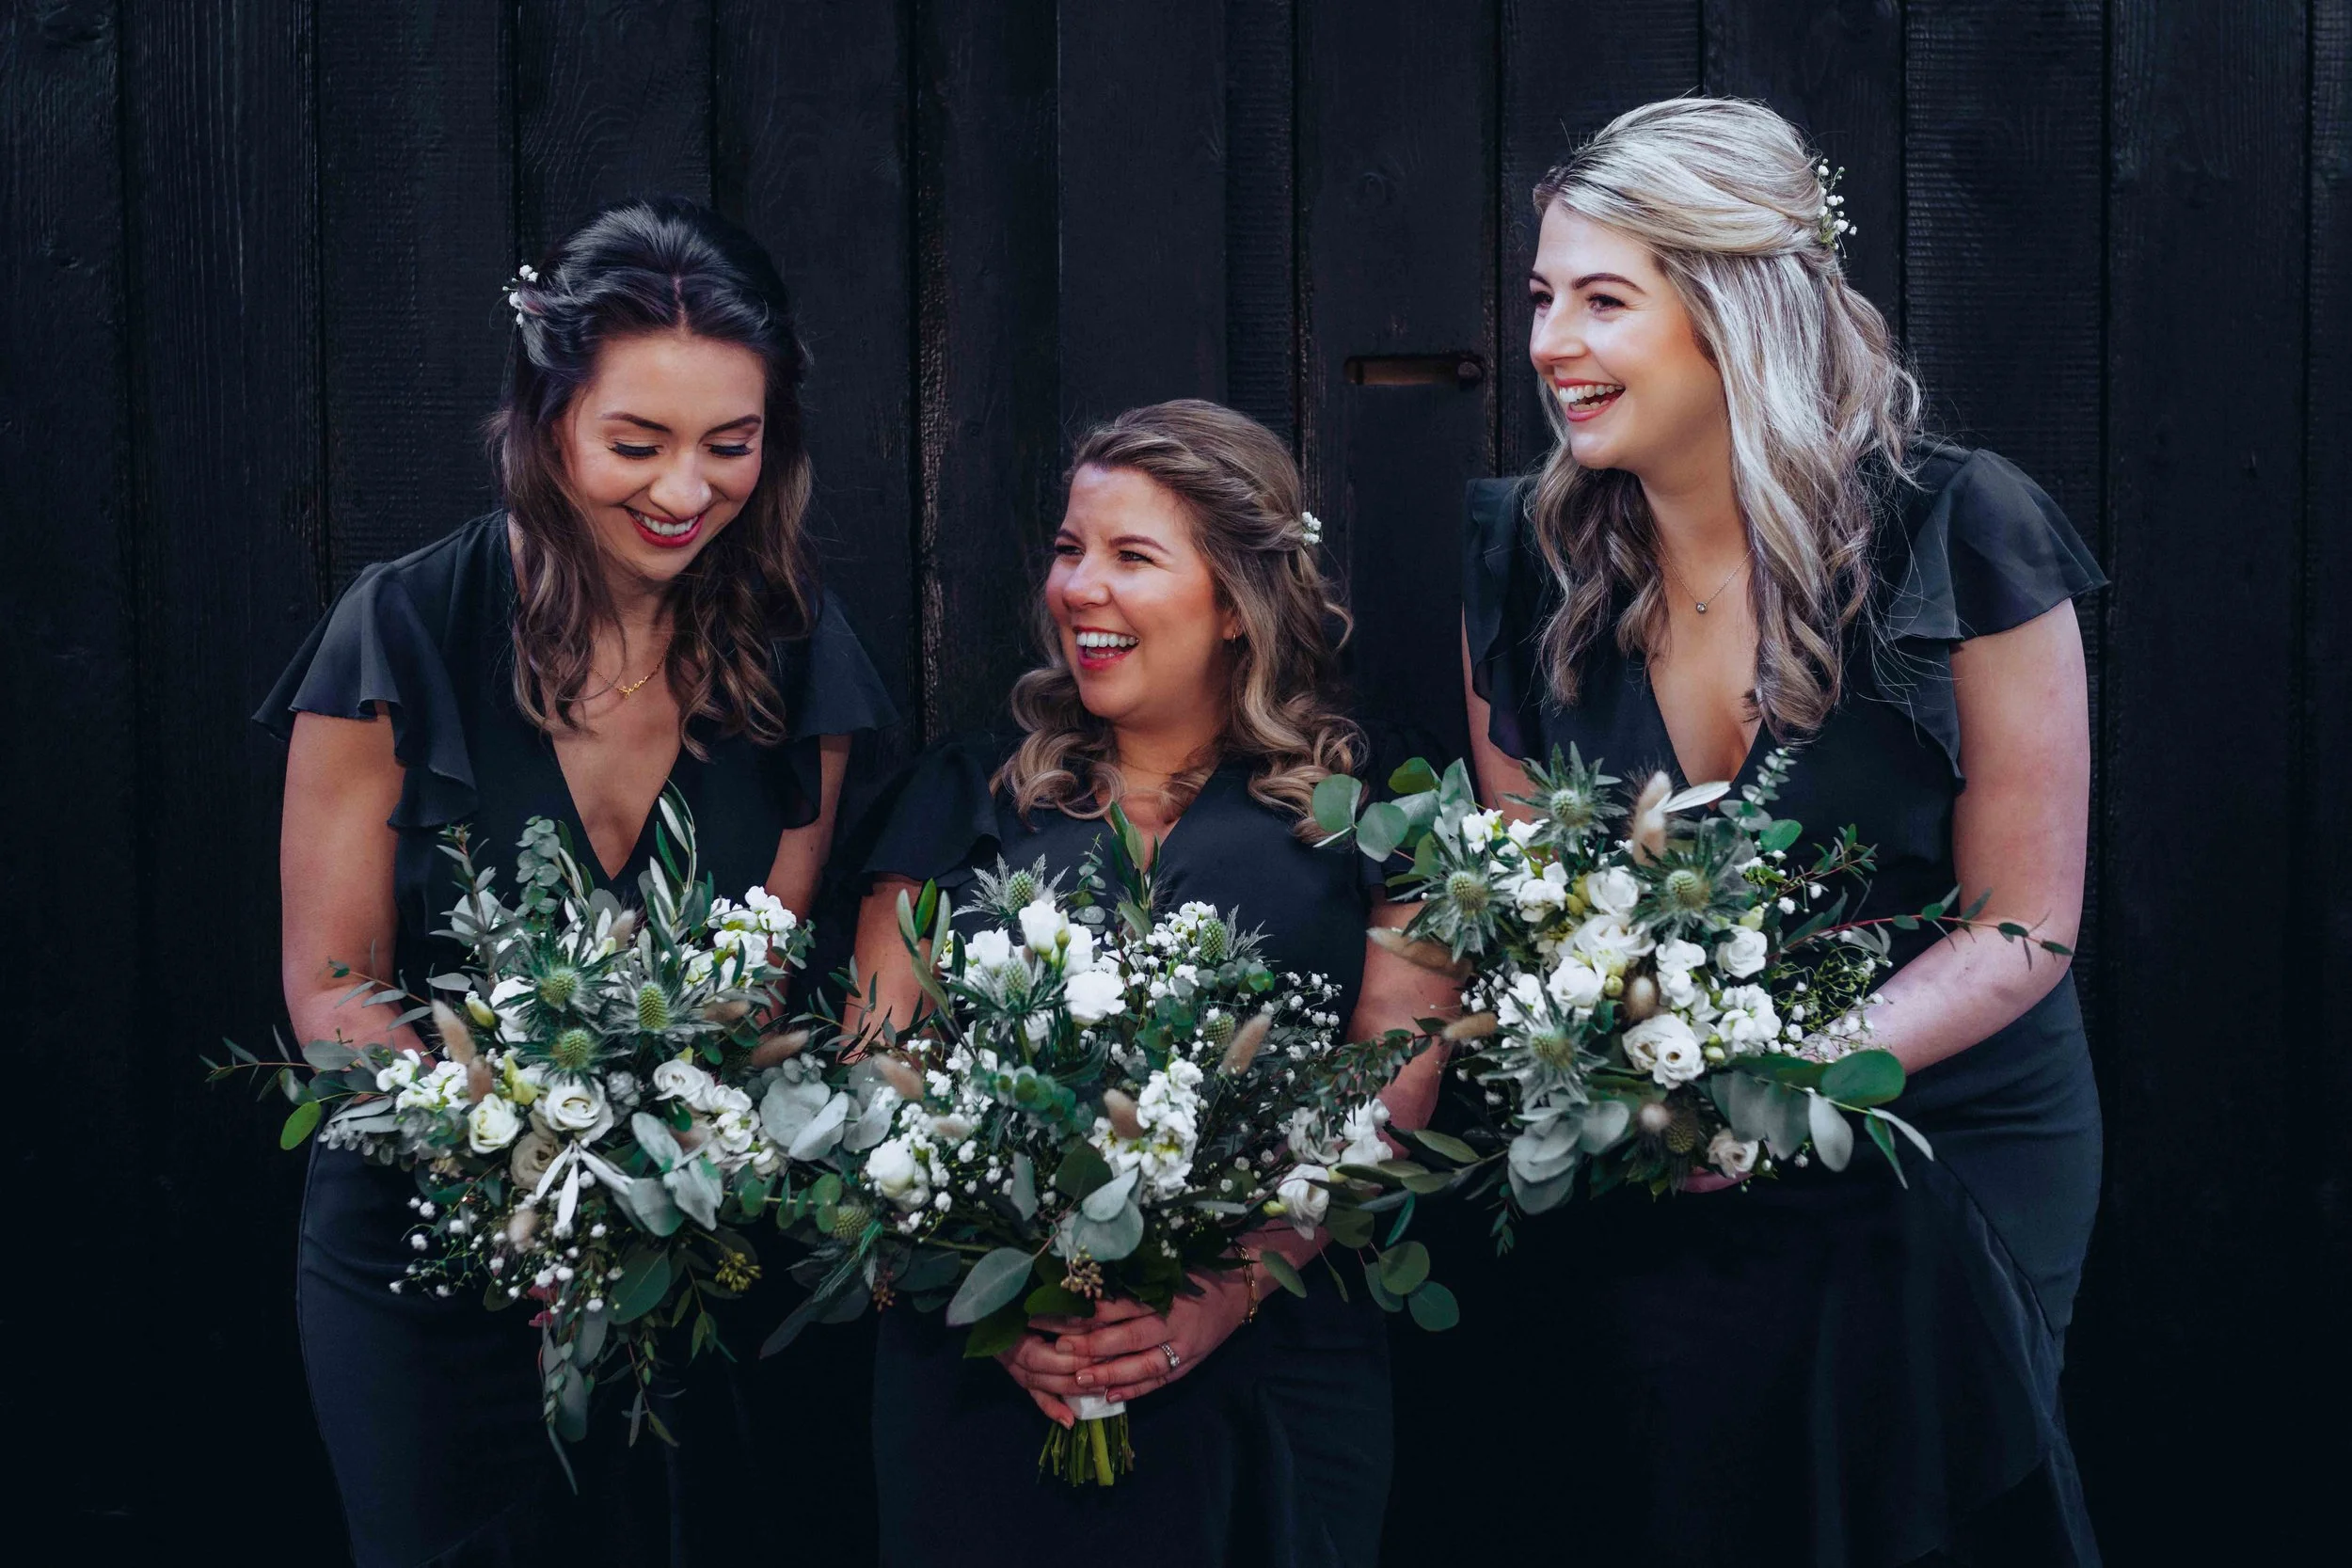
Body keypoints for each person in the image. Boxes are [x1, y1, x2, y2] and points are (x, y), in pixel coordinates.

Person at [1436, 99, 2104, 1566]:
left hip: (1941, 1130)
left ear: (1734, 310)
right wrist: (1650, 1076)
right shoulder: (1515, 556)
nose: (1552, 341)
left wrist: (1785, 1072)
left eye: (1605, 299)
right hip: (1658, 1149)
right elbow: (1532, 902)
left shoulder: (1960, 527)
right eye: (1544, 295)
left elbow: (2024, 919)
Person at [257, 197, 896, 1566]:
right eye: (636, 443)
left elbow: (755, 972)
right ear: (545, 424)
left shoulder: (793, 644)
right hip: (427, 1251)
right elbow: (333, 985)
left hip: (688, 1243)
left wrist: (629, 1200)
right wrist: (519, 1181)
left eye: (732, 445)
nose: (685, 492)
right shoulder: (406, 629)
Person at [845, 400, 1454, 1567]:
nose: (1080, 588)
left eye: (1132, 556)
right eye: (1071, 550)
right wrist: (997, 1290)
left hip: (1270, 1360)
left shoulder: (1374, 811)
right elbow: (875, 1064)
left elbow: (1397, 1078)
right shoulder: (964, 799)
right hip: (987, 1376)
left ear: (1236, 601)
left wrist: (1227, 1285)